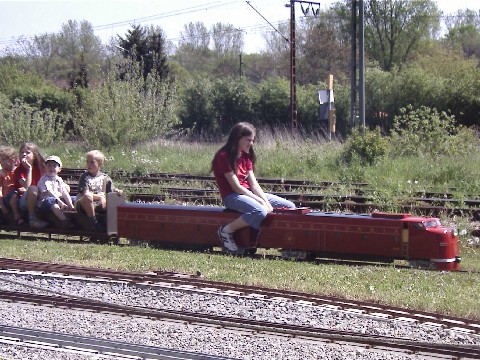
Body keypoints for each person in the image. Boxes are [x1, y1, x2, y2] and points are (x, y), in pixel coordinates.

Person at [211, 122, 296, 252]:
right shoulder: (224, 157)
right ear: (238, 138)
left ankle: (277, 240)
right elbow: (236, 187)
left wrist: (266, 201)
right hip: (232, 196)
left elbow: (254, 184)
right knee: (260, 211)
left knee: (290, 207)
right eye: (248, 140)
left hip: (248, 193)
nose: (251, 143)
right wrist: (261, 202)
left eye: (253, 140)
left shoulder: (246, 156)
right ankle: (226, 231)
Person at [76, 150, 123, 231]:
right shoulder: (84, 177)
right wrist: (100, 197)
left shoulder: (105, 178)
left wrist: (117, 191)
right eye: (87, 162)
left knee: (113, 199)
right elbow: (85, 193)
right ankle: (93, 223)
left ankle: (113, 226)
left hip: (99, 204)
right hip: (84, 204)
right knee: (88, 196)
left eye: (92, 162)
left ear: (100, 163)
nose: (88, 165)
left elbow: (110, 191)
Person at [10, 142, 48, 228]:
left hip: (41, 197)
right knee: (33, 189)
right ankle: (32, 219)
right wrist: (29, 169)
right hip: (24, 201)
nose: (24, 154)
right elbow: (27, 186)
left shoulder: (41, 168)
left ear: (34, 155)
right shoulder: (18, 171)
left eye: (27, 152)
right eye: (22, 152)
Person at [37, 155, 75, 229]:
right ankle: (66, 222)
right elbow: (49, 192)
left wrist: (70, 205)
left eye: (54, 166)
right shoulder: (44, 179)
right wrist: (60, 202)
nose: (51, 168)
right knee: (53, 203)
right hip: (45, 202)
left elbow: (64, 192)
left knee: (76, 199)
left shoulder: (59, 179)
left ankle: (80, 219)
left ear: (59, 169)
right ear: (45, 168)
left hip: (59, 199)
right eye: (49, 165)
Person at [0, 146, 18, 222]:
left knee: (14, 193)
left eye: (3, 159)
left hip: (17, 197)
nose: (1, 162)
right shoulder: (2, 173)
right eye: (1, 159)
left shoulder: (18, 171)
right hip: (5, 199)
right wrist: (2, 205)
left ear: (12, 159)